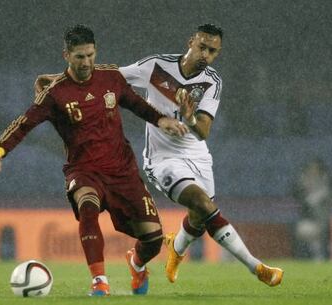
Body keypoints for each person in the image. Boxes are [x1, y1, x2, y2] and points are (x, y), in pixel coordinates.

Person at [0, 24, 189, 296]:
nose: (87, 62)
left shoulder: (111, 78)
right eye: (80, 57)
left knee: (152, 239)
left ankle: (136, 264)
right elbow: (23, 124)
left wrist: (161, 119)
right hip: (84, 170)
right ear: (66, 55)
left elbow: (136, 103)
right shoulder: (55, 94)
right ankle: (99, 281)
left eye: (90, 55)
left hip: (122, 171)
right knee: (88, 206)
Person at [119, 24, 284, 286]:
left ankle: (171, 250)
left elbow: (203, 131)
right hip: (163, 160)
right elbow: (112, 78)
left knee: (199, 218)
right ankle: (257, 267)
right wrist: (64, 80)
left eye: (212, 51)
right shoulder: (156, 66)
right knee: (205, 206)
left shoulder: (212, 81)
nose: (205, 55)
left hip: (197, 156)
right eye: (202, 47)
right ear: (190, 42)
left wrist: (189, 117)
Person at [293, 158, 331, 260]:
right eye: (311, 169)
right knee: (307, 232)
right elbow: (301, 201)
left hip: (327, 222)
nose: (313, 172)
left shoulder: (327, 184)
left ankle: (321, 255)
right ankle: (316, 256)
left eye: (315, 169)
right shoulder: (302, 185)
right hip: (313, 222)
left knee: (320, 233)